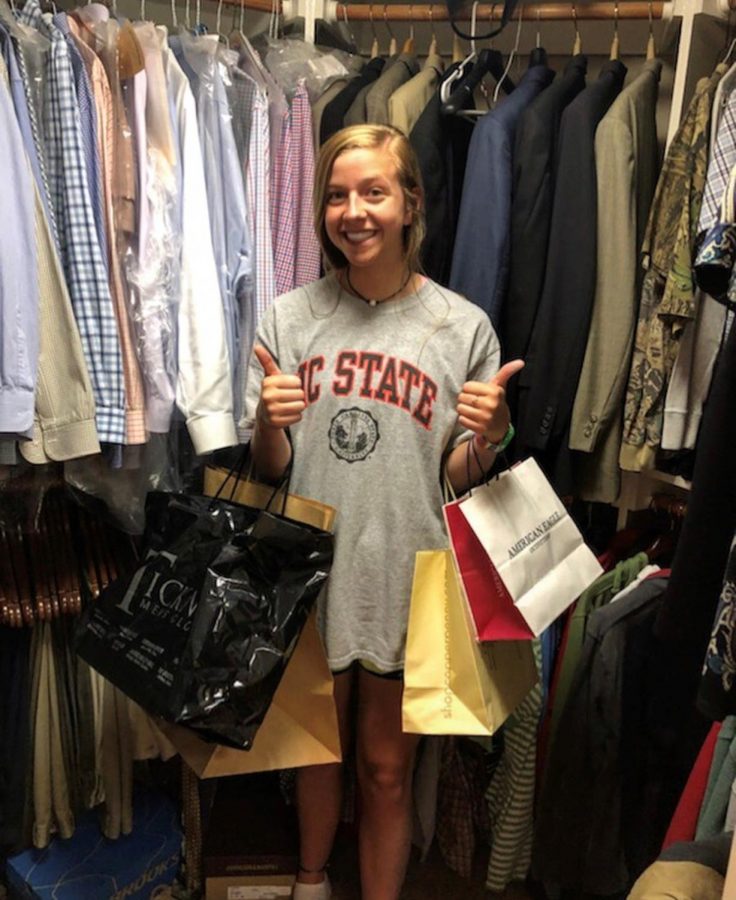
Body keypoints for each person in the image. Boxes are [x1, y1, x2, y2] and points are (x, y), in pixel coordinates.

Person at [242, 124, 522, 900]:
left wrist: (490, 436)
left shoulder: (460, 327)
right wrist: (269, 422)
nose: (353, 211)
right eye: (336, 194)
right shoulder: (289, 319)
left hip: (408, 570)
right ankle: (309, 881)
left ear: (410, 204)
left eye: (373, 191)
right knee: (313, 754)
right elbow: (273, 472)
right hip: (310, 571)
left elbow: (457, 476)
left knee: (387, 767)